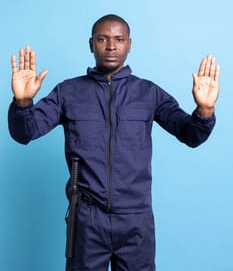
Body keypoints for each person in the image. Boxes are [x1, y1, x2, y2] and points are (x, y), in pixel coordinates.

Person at [8, 14, 220, 271]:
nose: (111, 46)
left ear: (129, 44)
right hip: (87, 220)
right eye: (102, 39)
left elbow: (191, 135)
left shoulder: (148, 93)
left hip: (136, 221)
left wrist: (205, 110)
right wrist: (22, 103)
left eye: (119, 39)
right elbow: (25, 133)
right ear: (91, 44)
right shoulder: (68, 92)